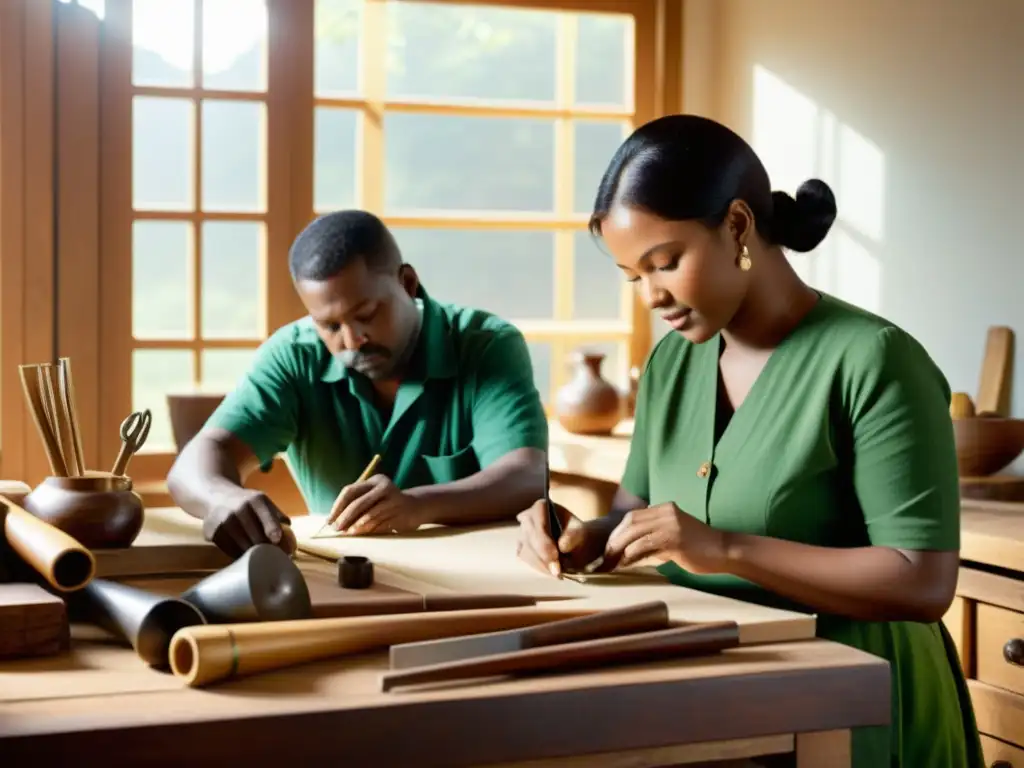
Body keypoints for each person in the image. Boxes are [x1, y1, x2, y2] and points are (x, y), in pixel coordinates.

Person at [514, 114, 982, 768]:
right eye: (632, 276)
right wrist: (584, 535)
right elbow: (636, 511)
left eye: (665, 263)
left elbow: (922, 581)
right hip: (715, 705)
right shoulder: (672, 363)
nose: (651, 296)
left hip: (863, 716)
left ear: (737, 226)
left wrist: (723, 547)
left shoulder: (876, 361)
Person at [168, 209, 549, 558]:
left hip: (479, 582)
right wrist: (222, 497)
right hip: (344, 578)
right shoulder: (294, 354)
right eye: (329, 326)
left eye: (365, 315)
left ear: (408, 283)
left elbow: (527, 476)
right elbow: (194, 463)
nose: (351, 341)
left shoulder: (484, 345)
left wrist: (421, 504)